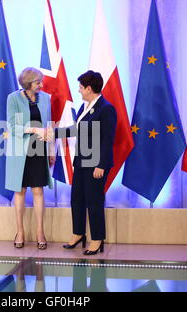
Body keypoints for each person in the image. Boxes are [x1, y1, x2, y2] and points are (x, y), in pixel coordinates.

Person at [57, 70, 117, 255]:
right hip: (82, 161)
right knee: (77, 198)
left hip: (96, 164)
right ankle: (78, 234)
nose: (79, 91)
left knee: (94, 201)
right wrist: (55, 133)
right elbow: (77, 130)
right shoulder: (86, 107)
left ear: (89, 88)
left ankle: (97, 238)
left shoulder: (106, 109)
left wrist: (101, 165)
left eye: (81, 88)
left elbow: (108, 139)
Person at [5, 67, 55, 250]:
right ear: (27, 83)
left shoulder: (46, 98)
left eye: (41, 82)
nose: (41, 85)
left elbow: (48, 125)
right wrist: (33, 129)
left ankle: (40, 232)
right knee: (20, 192)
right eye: (37, 82)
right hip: (20, 151)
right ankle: (20, 231)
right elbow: (12, 127)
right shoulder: (13, 99)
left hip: (39, 150)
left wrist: (51, 150)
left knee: (38, 191)